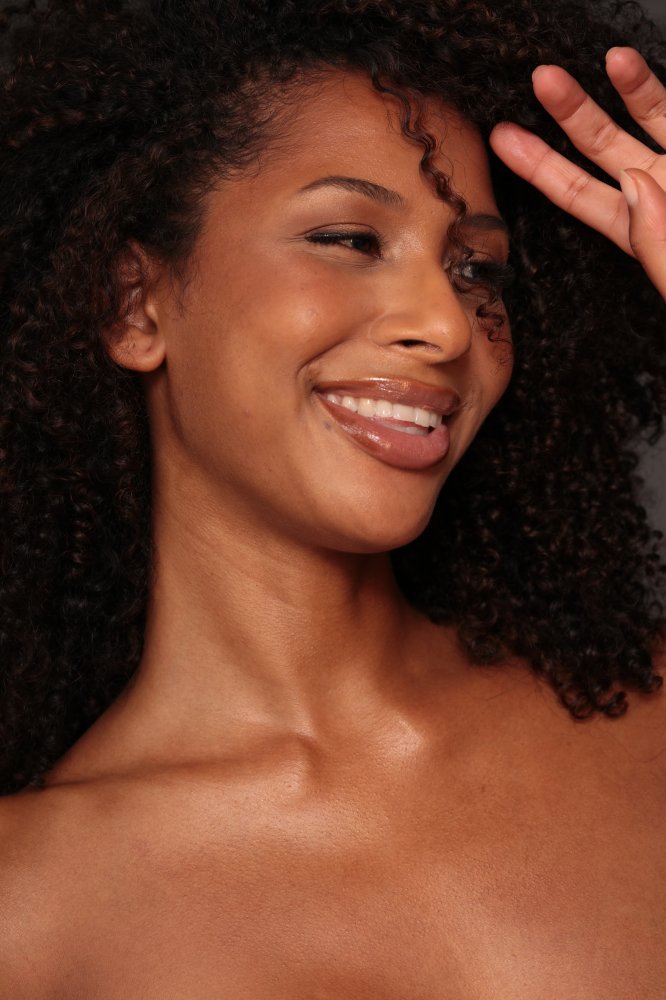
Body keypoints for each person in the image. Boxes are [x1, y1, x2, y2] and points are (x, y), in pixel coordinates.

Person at [1, 0, 665, 995]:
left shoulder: (648, 719)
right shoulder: (28, 910)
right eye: (351, 238)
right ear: (132, 304)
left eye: (475, 269)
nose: (446, 325)